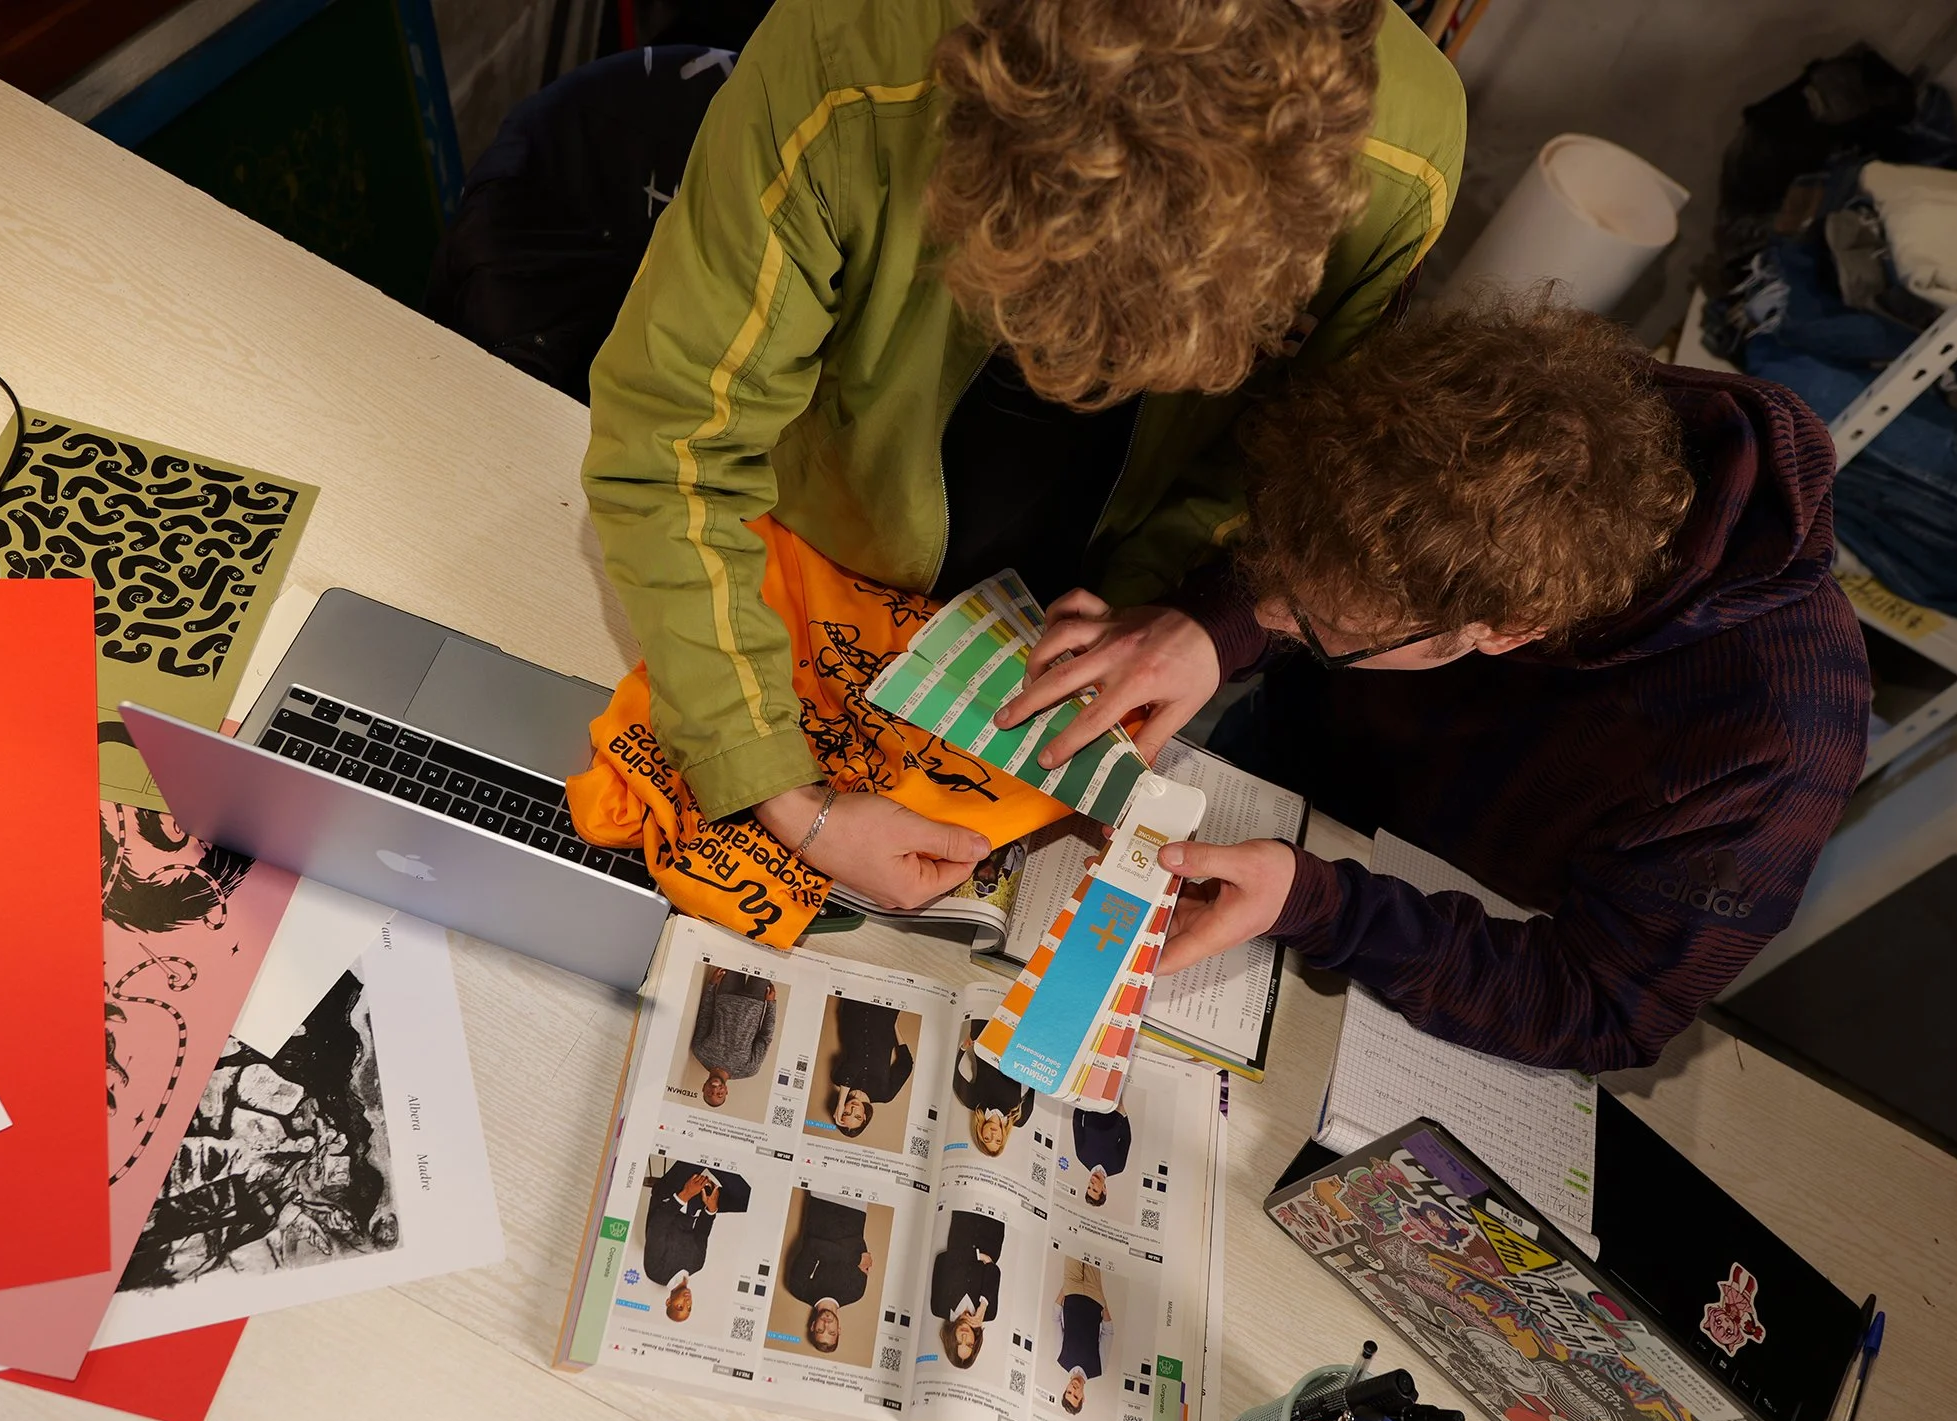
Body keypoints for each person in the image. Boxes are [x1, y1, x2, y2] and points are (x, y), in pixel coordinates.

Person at [586, 0, 1467, 912]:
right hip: (810, 553)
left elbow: (1289, 471)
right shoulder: (844, 44)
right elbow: (674, 440)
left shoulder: (1404, 157)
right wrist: (784, 794)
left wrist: (1191, 611)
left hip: (1089, 614)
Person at [1000, 300, 1870, 1076]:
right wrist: (1213, 626)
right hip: (1290, 783)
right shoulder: (1494, 412)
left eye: (1316, 627)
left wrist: (1326, 907)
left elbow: (1605, 1006)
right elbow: (1326, 561)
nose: (1272, 611)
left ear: (1508, 632)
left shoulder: (1781, 734)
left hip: (1453, 948)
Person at [642, 1161, 753, 1321]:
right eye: (689, 1307)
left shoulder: (655, 1272)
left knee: (699, 1156)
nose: (687, 1302)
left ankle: (716, 1159)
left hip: (670, 1198)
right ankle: (720, 1160)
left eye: (680, 1306)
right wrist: (711, 1207)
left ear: (668, 1301)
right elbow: (702, 1232)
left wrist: (686, 1194)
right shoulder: (697, 1265)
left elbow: (658, 1225)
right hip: (694, 1206)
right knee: (747, 1200)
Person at [783, 1194, 873, 1353]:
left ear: (812, 1326)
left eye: (819, 1330)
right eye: (831, 1332)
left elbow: (813, 1246)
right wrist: (850, 1254)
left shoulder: (798, 1288)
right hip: (856, 1209)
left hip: (822, 1200)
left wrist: (852, 1258)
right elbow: (860, 1246)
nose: (826, 1324)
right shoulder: (855, 1293)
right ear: (839, 1329)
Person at [689, 967, 778, 1109]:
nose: (715, 1090)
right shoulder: (749, 1070)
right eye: (719, 1094)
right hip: (755, 1001)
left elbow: (705, 1016)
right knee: (766, 958)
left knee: (739, 953)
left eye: (709, 1093)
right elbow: (765, 1037)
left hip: (725, 994)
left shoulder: (699, 1052)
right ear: (726, 1092)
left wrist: (711, 986)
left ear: (703, 1088)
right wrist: (771, 1004)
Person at [824, 999, 914, 1138]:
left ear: (840, 1110)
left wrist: (841, 1101)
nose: (853, 1109)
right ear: (865, 1117)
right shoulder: (885, 1094)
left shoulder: (838, 1078)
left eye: (846, 1112)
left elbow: (856, 1060)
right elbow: (906, 1065)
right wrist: (894, 1027)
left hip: (855, 1010)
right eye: (858, 1116)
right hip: (884, 1016)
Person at [929, 1209, 1005, 1368]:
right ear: (975, 1342)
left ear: (951, 1340)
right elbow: (994, 1271)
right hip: (993, 1231)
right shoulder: (988, 1313)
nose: (964, 1337)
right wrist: (983, 1304)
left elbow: (943, 1260)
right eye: (969, 1344)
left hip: (964, 1223)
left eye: (959, 1342)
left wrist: (979, 1257)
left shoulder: (939, 1307)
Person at [951, 1033, 1034, 1157]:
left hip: (986, 1041)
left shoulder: (972, 1102)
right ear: (1003, 1137)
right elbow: (1034, 1086)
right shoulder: (1019, 1118)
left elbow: (955, 1078)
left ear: (980, 1133)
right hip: (1017, 1047)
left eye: (987, 1138)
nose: (993, 1135)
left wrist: (963, 1048)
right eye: (998, 1140)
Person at [1053, 1255, 1112, 1414]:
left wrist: (1065, 1288)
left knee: (1075, 1240)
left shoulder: (1061, 1357)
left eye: (1069, 1393)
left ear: (1065, 1389)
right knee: (1093, 1245)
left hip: (1071, 1290)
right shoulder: (1099, 1368)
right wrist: (1103, 1304)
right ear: (1083, 1398)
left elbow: (1055, 1319)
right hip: (1095, 1297)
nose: (1073, 1390)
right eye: (1076, 1396)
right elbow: (1108, 1332)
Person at [1070, 1105, 1132, 1209]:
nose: (1091, 1184)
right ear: (1104, 1190)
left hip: (1093, 1105)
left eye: (1089, 1187)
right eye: (1095, 1189)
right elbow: (1126, 1140)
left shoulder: (1082, 1156)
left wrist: (1084, 1103)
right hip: (1114, 1110)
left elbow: (1077, 1124)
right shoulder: (1118, 1167)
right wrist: (1123, 1115)